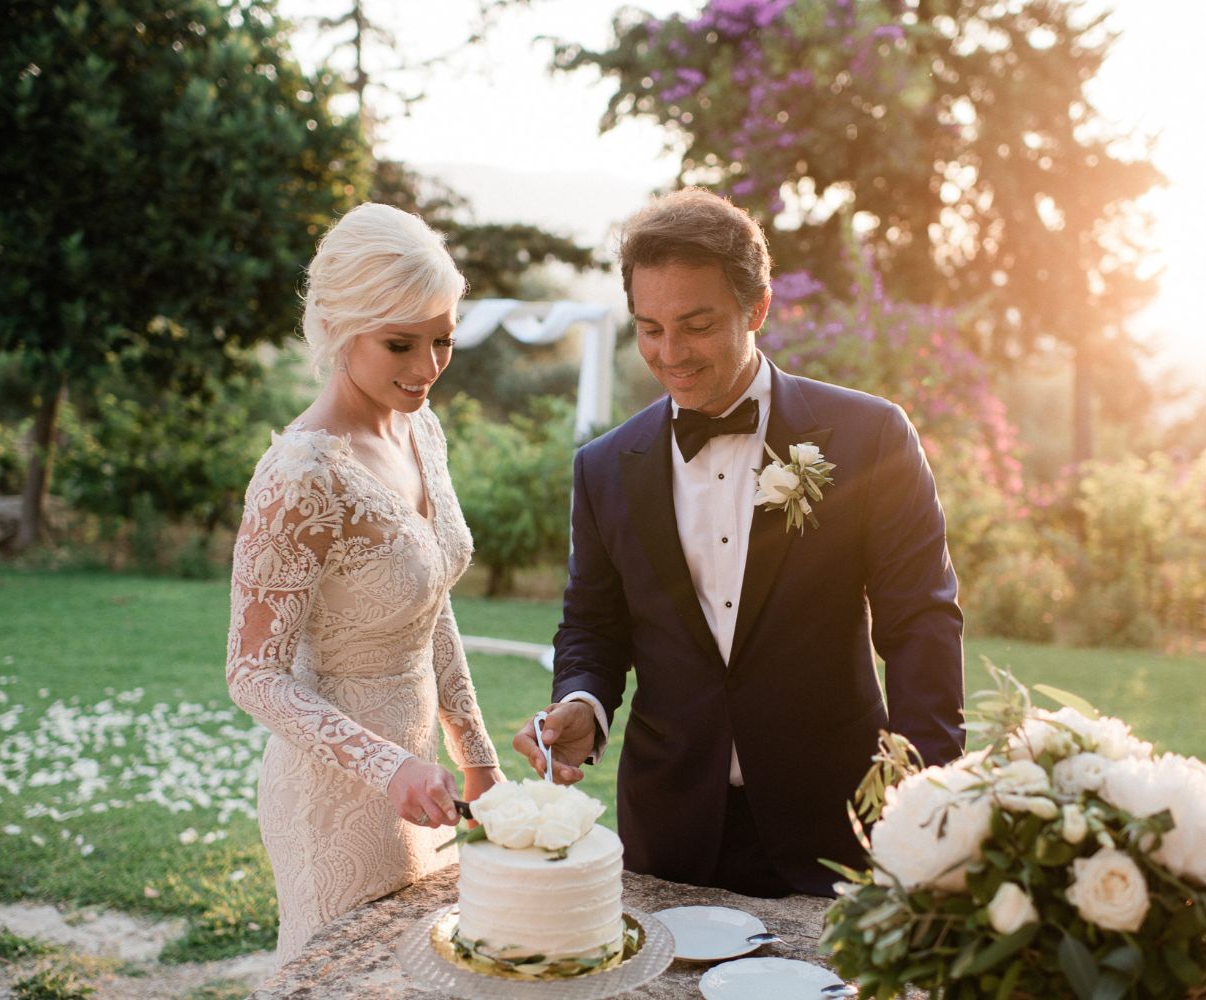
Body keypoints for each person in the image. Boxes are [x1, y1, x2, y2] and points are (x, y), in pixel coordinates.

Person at [514, 188, 963, 897]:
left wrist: (930, 796)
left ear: (757, 309)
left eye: (696, 325)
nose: (670, 354)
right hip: (668, 830)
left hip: (839, 819)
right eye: (650, 328)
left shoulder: (870, 436)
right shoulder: (602, 467)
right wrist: (584, 702)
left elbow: (921, 624)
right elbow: (594, 626)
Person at [226, 203, 503, 965]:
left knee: (433, 973)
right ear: (342, 325)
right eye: (400, 344)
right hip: (334, 795)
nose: (426, 368)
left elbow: (430, 602)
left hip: (426, 783)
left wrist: (474, 752)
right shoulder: (300, 474)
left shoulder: (422, 430)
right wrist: (388, 766)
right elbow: (251, 675)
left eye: (443, 341)